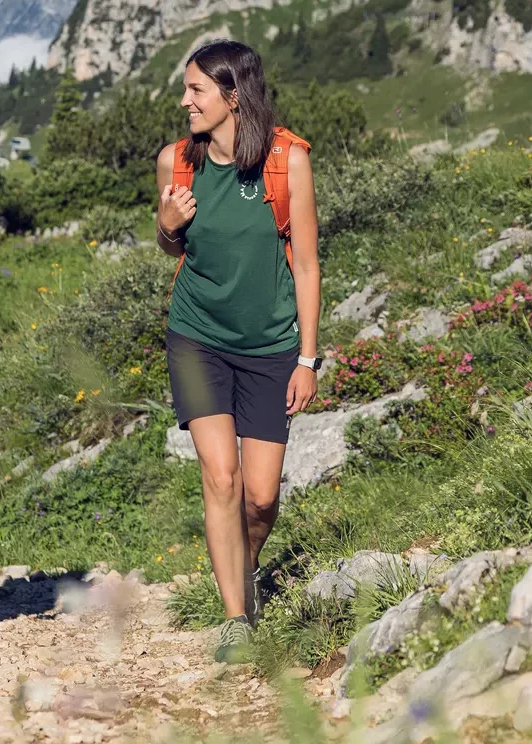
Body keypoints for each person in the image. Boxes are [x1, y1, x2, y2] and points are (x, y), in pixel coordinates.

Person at [154, 40, 321, 663]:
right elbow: (172, 246)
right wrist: (168, 223)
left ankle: (242, 561)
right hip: (196, 338)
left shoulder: (286, 160)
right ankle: (234, 619)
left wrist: (307, 358)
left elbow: (305, 263)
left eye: (195, 89)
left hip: (272, 346)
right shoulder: (176, 160)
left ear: (233, 95)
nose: (184, 100)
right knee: (219, 476)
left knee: (260, 496)